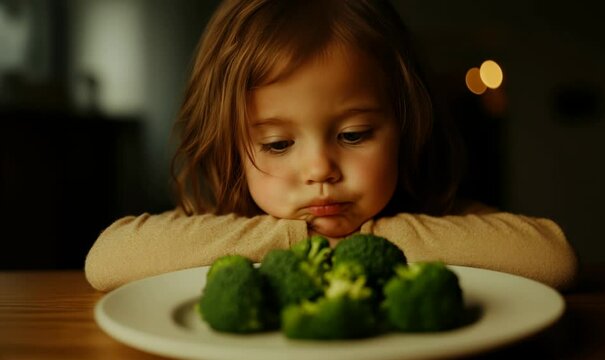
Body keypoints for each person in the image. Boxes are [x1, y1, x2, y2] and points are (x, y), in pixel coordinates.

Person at [85, 0, 578, 292]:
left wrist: (370, 244)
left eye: (353, 135)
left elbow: (553, 257)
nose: (320, 168)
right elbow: (106, 260)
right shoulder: (225, 224)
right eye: (278, 144)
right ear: (230, 150)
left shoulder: (433, 218)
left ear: (406, 125)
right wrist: (290, 239)